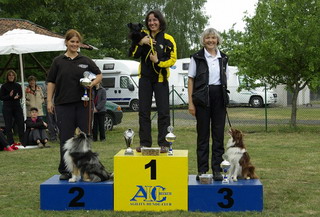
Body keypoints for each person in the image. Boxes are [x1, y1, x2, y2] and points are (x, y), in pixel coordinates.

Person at [47, 29, 102, 180]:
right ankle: (66, 170)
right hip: (63, 105)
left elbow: (99, 75)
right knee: (65, 139)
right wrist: (49, 101)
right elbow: (51, 82)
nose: (75, 44)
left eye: (77, 42)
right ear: (66, 42)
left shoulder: (85, 60)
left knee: (84, 138)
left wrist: (92, 84)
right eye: (72, 41)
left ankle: (87, 170)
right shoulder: (58, 61)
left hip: (83, 104)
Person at [129, 10, 177, 153]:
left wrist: (158, 62)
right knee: (143, 112)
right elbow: (132, 54)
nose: (152, 23)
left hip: (161, 80)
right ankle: (145, 143)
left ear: (160, 21)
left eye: (155, 20)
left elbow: (173, 59)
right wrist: (139, 42)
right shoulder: (142, 35)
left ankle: (164, 143)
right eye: (149, 20)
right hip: (144, 79)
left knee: (163, 112)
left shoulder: (168, 38)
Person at [187, 28, 230, 181]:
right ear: (203, 41)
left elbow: (225, 80)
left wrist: (225, 99)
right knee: (203, 136)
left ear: (217, 40)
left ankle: (218, 170)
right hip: (202, 98)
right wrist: (191, 102)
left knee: (218, 136)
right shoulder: (196, 58)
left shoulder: (223, 58)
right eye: (207, 38)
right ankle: (203, 170)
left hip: (219, 97)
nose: (210, 40)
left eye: (213, 38)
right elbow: (191, 79)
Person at [0, 69, 25, 146]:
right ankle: (10, 142)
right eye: (9, 75)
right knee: (8, 125)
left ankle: (23, 140)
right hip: (7, 107)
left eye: (12, 75)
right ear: (7, 77)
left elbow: (21, 95)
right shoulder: (4, 86)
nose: (11, 76)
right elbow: (1, 97)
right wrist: (9, 96)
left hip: (16, 106)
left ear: (15, 76)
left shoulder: (18, 85)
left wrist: (18, 96)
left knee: (20, 123)